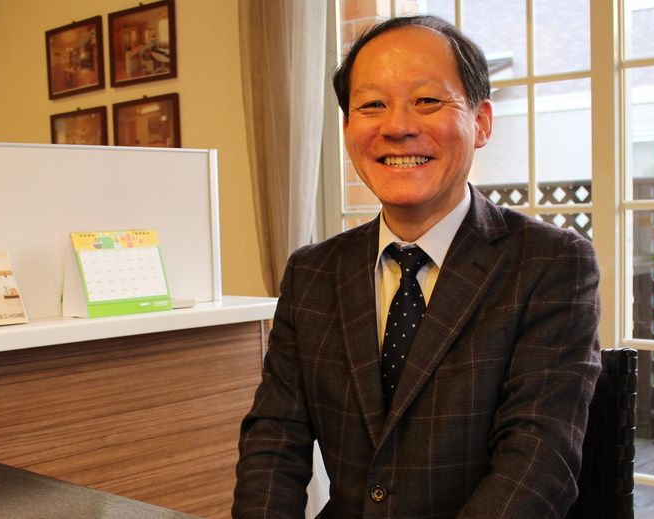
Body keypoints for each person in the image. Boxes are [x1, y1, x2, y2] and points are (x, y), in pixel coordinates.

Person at [233, 15, 601, 518]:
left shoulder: (550, 263)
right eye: (372, 105)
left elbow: (538, 460)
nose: (397, 126)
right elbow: (274, 442)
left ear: (482, 122)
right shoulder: (312, 272)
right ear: (348, 129)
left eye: (427, 100)